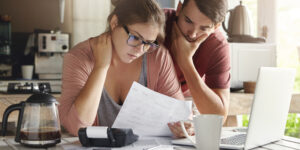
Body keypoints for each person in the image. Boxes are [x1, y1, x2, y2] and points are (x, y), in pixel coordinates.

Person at [59, 0, 185, 136]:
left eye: (148, 43)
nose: (140, 50)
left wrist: (184, 126)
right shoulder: (79, 57)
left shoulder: (158, 56)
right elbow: (77, 127)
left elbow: (179, 115)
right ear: (114, 23)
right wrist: (101, 67)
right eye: (135, 38)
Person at [165, 0, 231, 137]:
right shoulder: (155, 23)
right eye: (188, 21)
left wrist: (185, 62)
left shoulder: (217, 45)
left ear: (216, 26)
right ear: (179, 9)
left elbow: (218, 117)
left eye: (204, 28)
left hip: (184, 98)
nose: (193, 34)